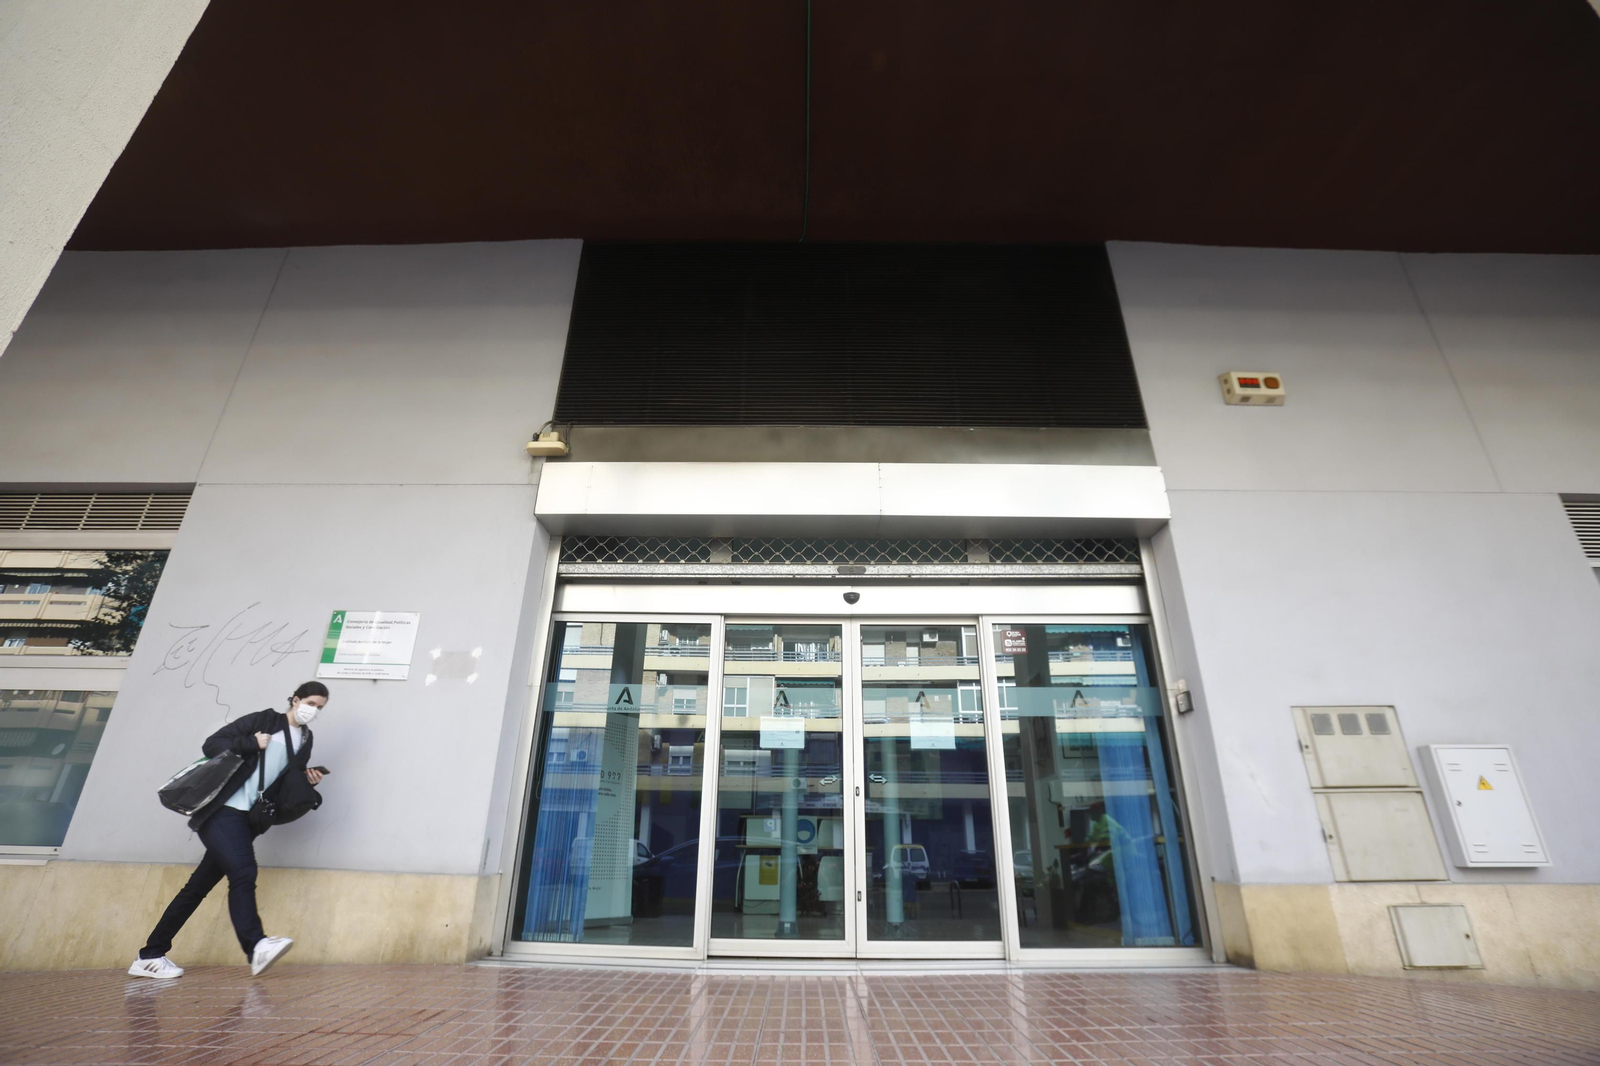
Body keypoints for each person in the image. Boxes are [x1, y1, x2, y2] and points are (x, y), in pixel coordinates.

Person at [128, 681, 330, 979]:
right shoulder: (264, 720)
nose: (313, 710)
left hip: (249, 819)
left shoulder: (305, 739)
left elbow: (283, 779)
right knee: (244, 873)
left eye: (319, 708)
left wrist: (307, 779)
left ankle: (150, 955)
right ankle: (256, 945)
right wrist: (250, 743)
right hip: (222, 811)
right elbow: (212, 745)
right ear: (296, 699)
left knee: (196, 889)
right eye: (310, 703)